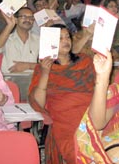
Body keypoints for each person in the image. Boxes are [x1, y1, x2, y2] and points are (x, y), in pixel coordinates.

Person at [28, 25, 95, 163]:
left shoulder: (85, 61)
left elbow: (97, 89)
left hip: (91, 114)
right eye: (60, 38)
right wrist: (46, 73)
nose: (66, 41)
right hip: (65, 119)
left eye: (67, 37)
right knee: (78, 154)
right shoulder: (42, 68)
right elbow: (38, 103)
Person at [0, 7, 39, 73]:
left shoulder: (38, 40)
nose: (28, 20)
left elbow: (47, 65)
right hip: (10, 79)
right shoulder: (7, 38)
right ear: (16, 20)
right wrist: (10, 25)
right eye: (24, 17)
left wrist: (28, 66)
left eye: (31, 18)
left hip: (32, 79)